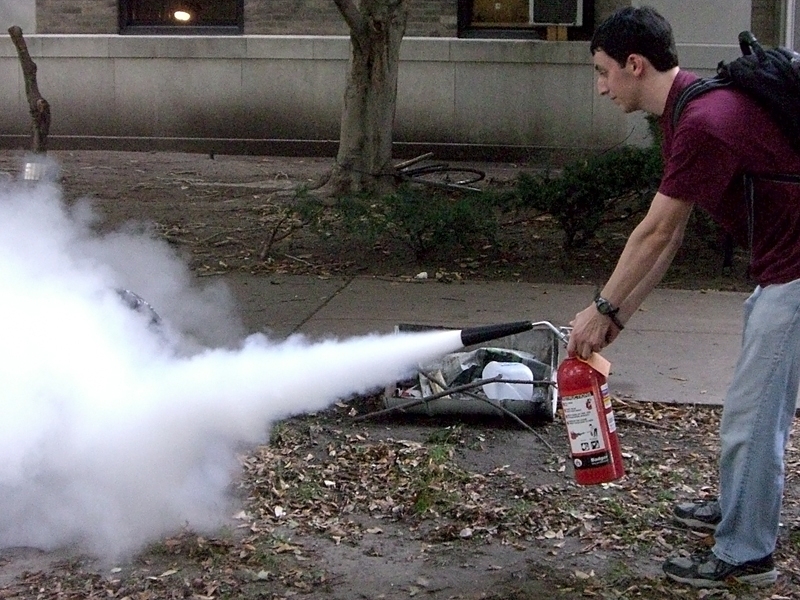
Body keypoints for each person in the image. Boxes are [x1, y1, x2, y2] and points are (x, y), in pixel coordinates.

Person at [569, 5, 800, 589]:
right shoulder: (691, 106)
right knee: (752, 404)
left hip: (797, 273)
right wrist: (616, 314)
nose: (599, 87)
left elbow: (656, 232)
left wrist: (600, 311)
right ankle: (736, 505)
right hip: (782, 269)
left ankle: (747, 553)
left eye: (602, 72)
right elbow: (667, 240)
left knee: (754, 416)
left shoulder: (702, 120)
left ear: (635, 64)